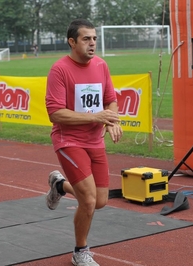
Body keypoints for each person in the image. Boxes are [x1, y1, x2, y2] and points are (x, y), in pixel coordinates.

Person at [45, 18, 123, 266]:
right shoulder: (60, 70)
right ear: (72, 42)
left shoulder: (101, 65)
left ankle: (59, 186)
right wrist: (95, 116)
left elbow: (111, 99)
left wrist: (113, 120)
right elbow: (55, 113)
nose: (92, 43)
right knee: (88, 201)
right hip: (69, 141)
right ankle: (80, 251)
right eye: (86, 39)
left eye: (95, 38)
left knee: (99, 201)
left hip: (95, 140)